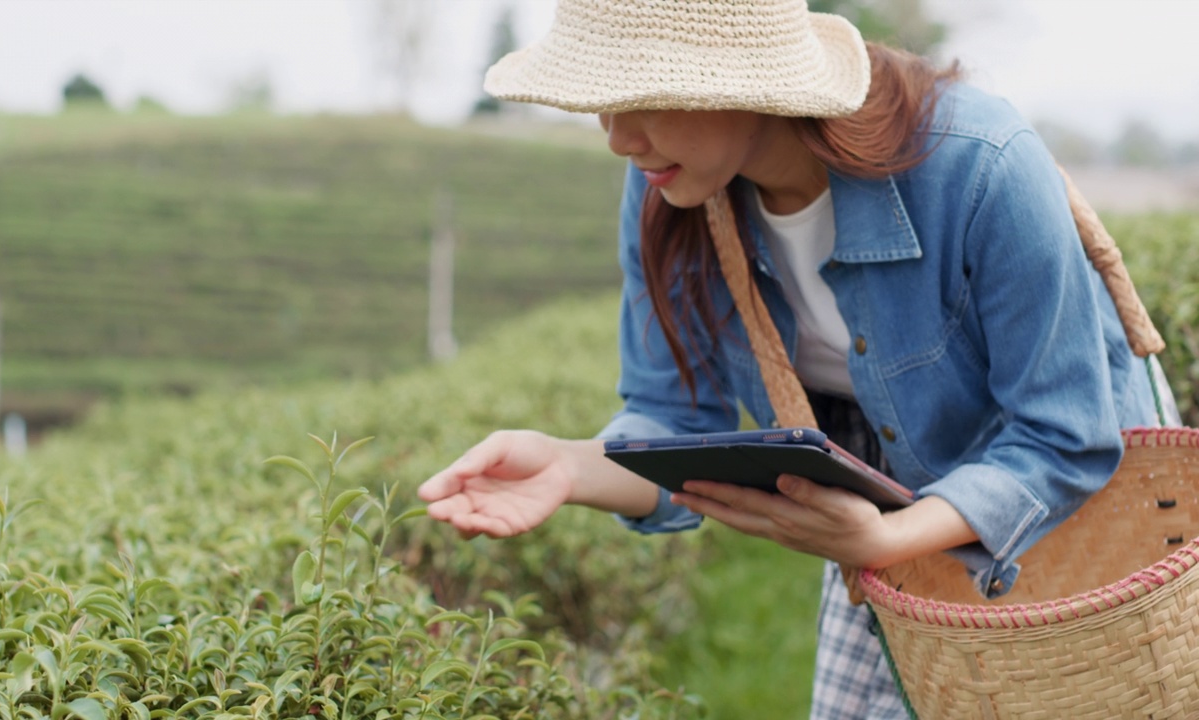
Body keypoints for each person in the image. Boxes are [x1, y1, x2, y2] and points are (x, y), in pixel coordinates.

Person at [417, 0, 1165, 717]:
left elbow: (1065, 436)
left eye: (639, 96)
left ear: (748, 83)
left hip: (1071, 513)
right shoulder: (665, 193)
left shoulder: (978, 165)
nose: (617, 136)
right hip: (889, 514)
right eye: (600, 104)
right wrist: (569, 467)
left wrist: (886, 538)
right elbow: (677, 423)